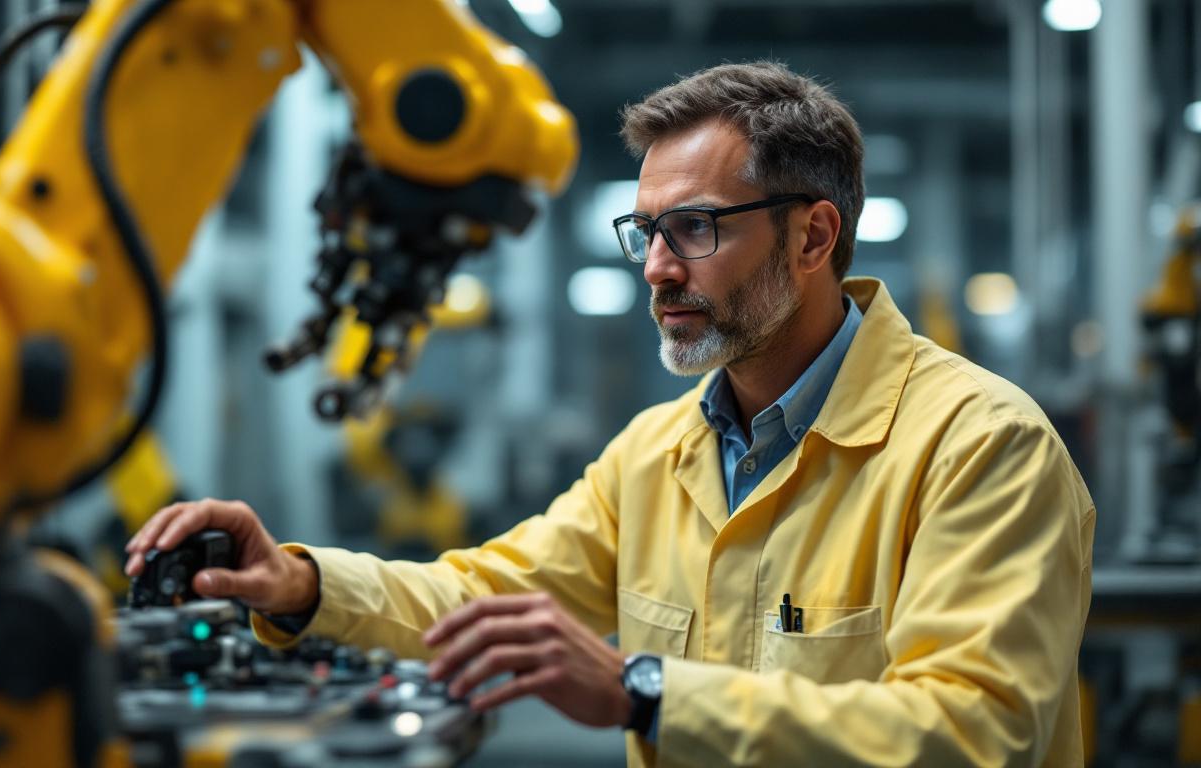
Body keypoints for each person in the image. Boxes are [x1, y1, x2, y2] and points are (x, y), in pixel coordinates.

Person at [126, 61, 1094, 767]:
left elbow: (972, 734)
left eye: (696, 229)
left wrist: (643, 690)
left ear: (813, 235)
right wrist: (297, 581)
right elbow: (488, 597)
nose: (658, 268)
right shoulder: (657, 453)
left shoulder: (980, 448)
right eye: (647, 232)